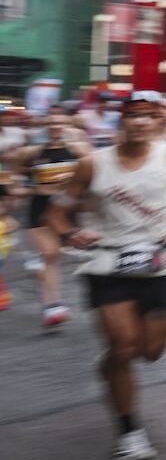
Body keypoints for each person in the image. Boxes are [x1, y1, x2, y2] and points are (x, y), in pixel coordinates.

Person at [47, 90, 166, 460]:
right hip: (107, 262)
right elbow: (56, 213)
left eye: (148, 115)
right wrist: (71, 233)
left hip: (160, 262)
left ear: (158, 121)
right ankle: (130, 432)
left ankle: (110, 365)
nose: (140, 121)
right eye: (133, 115)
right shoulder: (92, 163)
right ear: (122, 120)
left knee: (150, 352)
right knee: (123, 346)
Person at [10, 109, 91, 328]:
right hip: (40, 209)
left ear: (67, 125)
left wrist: (72, 178)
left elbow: (92, 173)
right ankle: (53, 306)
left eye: (60, 122)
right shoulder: (31, 152)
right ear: (45, 126)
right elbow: (14, 176)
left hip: (66, 209)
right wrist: (24, 188)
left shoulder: (79, 149)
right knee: (50, 254)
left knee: (55, 256)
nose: (55, 126)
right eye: (51, 123)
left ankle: (44, 283)